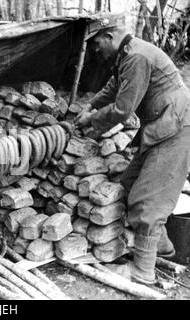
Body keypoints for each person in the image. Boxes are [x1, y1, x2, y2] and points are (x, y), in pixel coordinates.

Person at [75, 16, 190, 284]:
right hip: (161, 125)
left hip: (176, 128)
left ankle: (142, 273)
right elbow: (113, 89)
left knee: (146, 202)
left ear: (112, 36)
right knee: (129, 181)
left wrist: (91, 121)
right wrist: (89, 106)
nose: (95, 49)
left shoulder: (136, 57)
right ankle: (160, 244)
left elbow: (123, 109)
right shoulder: (127, 56)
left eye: (97, 43)